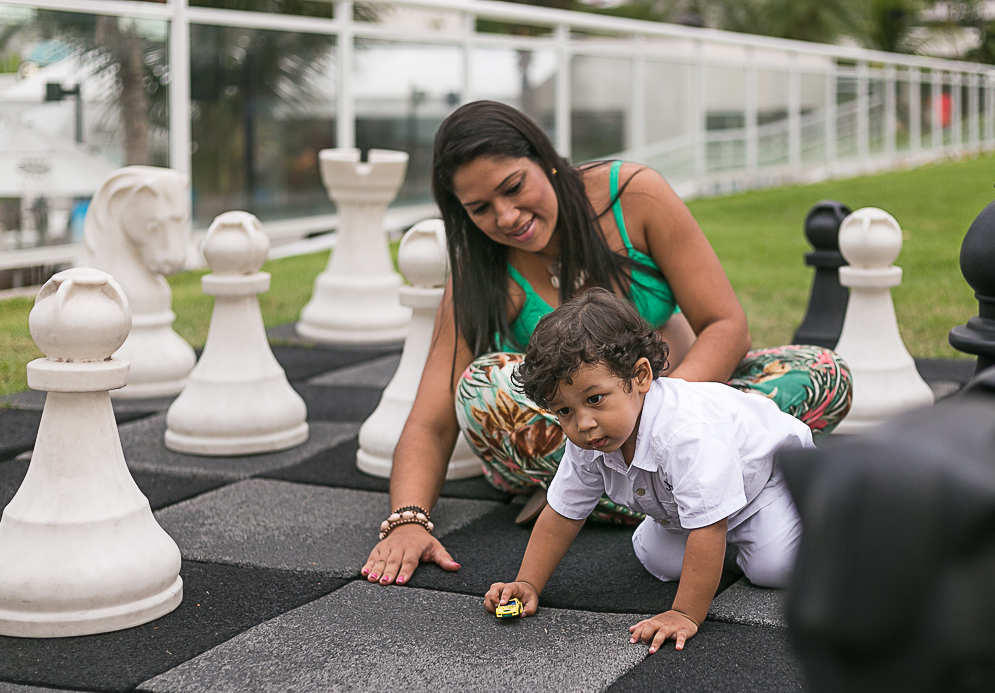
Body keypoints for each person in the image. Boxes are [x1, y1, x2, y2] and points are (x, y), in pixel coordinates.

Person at [361, 100, 850, 587]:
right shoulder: (479, 266)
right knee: (480, 387)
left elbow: (725, 325)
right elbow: (432, 416)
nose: (507, 217)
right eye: (480, 209)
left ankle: (639, 494)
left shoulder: (633, 195)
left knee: (821, 372)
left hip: (685, 407)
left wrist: (659, 416)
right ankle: (649, 493)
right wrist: (407, 520)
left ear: (545, 158)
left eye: (514, 187)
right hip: (580, 432)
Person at [482, 290, 813, 653]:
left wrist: (684, 613)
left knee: (772, 568)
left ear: (640, 375)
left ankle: (827, 525)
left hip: (767, 485)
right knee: (656, 559)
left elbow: (708, 527)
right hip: (691, 509)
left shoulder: (685, 433)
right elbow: (562, 513)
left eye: (595, 399)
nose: (584, 423)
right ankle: (726, 550)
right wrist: (527, 582)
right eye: (564, 411)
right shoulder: (590, 440)